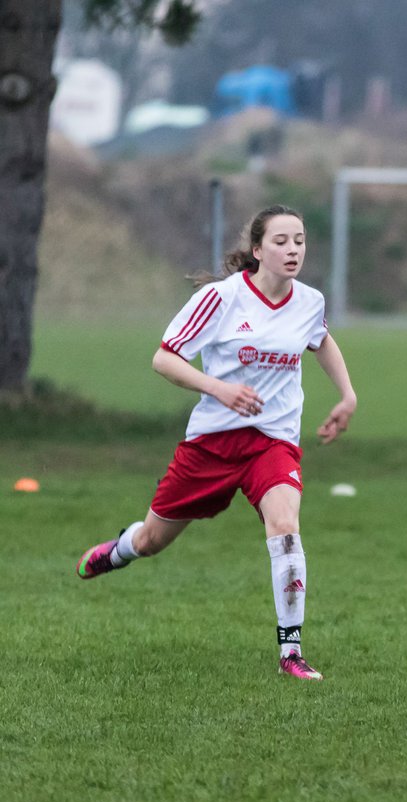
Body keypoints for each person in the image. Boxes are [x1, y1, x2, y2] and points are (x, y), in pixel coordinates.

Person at [75, 204, 357, 681]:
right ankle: (122, 548)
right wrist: (219, 388)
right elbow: (165, 359)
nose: (293, 251)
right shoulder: (222, 298)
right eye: (281, 242)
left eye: (300, 241)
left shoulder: (309, 301)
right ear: (257, 250)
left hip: (273, 441)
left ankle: (291, 652)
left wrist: (347, 395)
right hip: (212, 444)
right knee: (153, 540)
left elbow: (320, 340)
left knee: (285, 525)